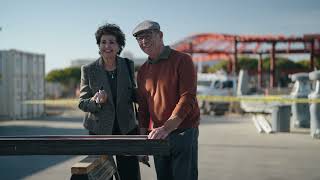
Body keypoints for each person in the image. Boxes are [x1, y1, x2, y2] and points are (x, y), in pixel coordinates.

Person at [132, 20, 200, 180]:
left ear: (160, 35)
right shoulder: (142, 71)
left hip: (183, 132)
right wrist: (142, 143)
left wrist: (167, 128)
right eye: (139, 38)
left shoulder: (183, 60)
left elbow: (187, 98)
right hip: (158, 135)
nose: (143, 41)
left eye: (147, 35)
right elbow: (142, 108)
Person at [78, 23, 140, 180]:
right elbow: (82, 103)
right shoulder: (88, 69)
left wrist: (146, 93)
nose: (107, 46)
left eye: (112, 42)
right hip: (99, 131)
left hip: (126, 129)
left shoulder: (127, 65)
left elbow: (133, 93)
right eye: (103, 42)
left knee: (129, 174)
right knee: (99, 175)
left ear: (119, 46)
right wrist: (96, 101)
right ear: (98, 45)